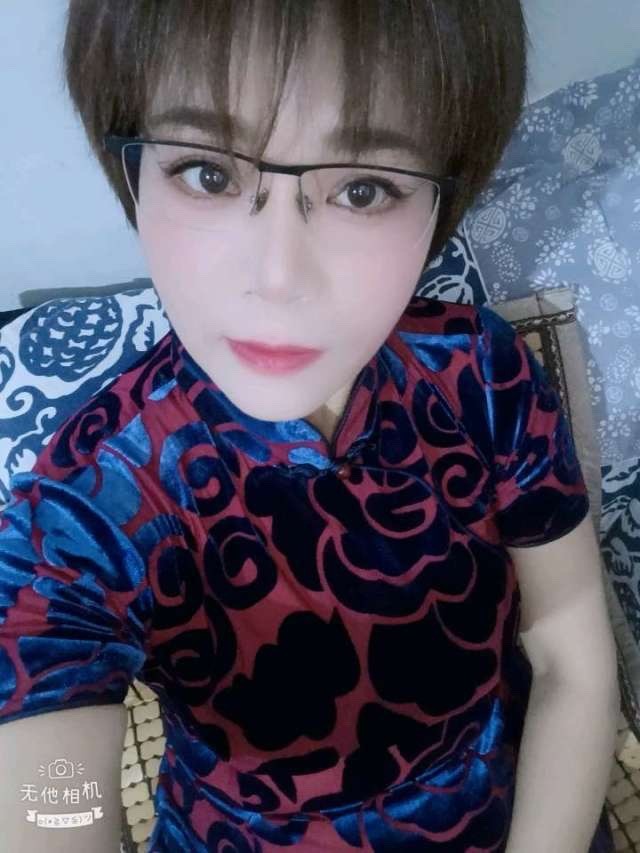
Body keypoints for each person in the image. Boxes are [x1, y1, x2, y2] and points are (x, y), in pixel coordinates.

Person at [0, 1, 620, 850]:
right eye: (208, 174)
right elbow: (46, 795)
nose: (278, 275)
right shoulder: (94, 493)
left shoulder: (479, 373)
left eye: (362, 189)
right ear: (133, 172)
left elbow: (569, 648)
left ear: (441, 197)